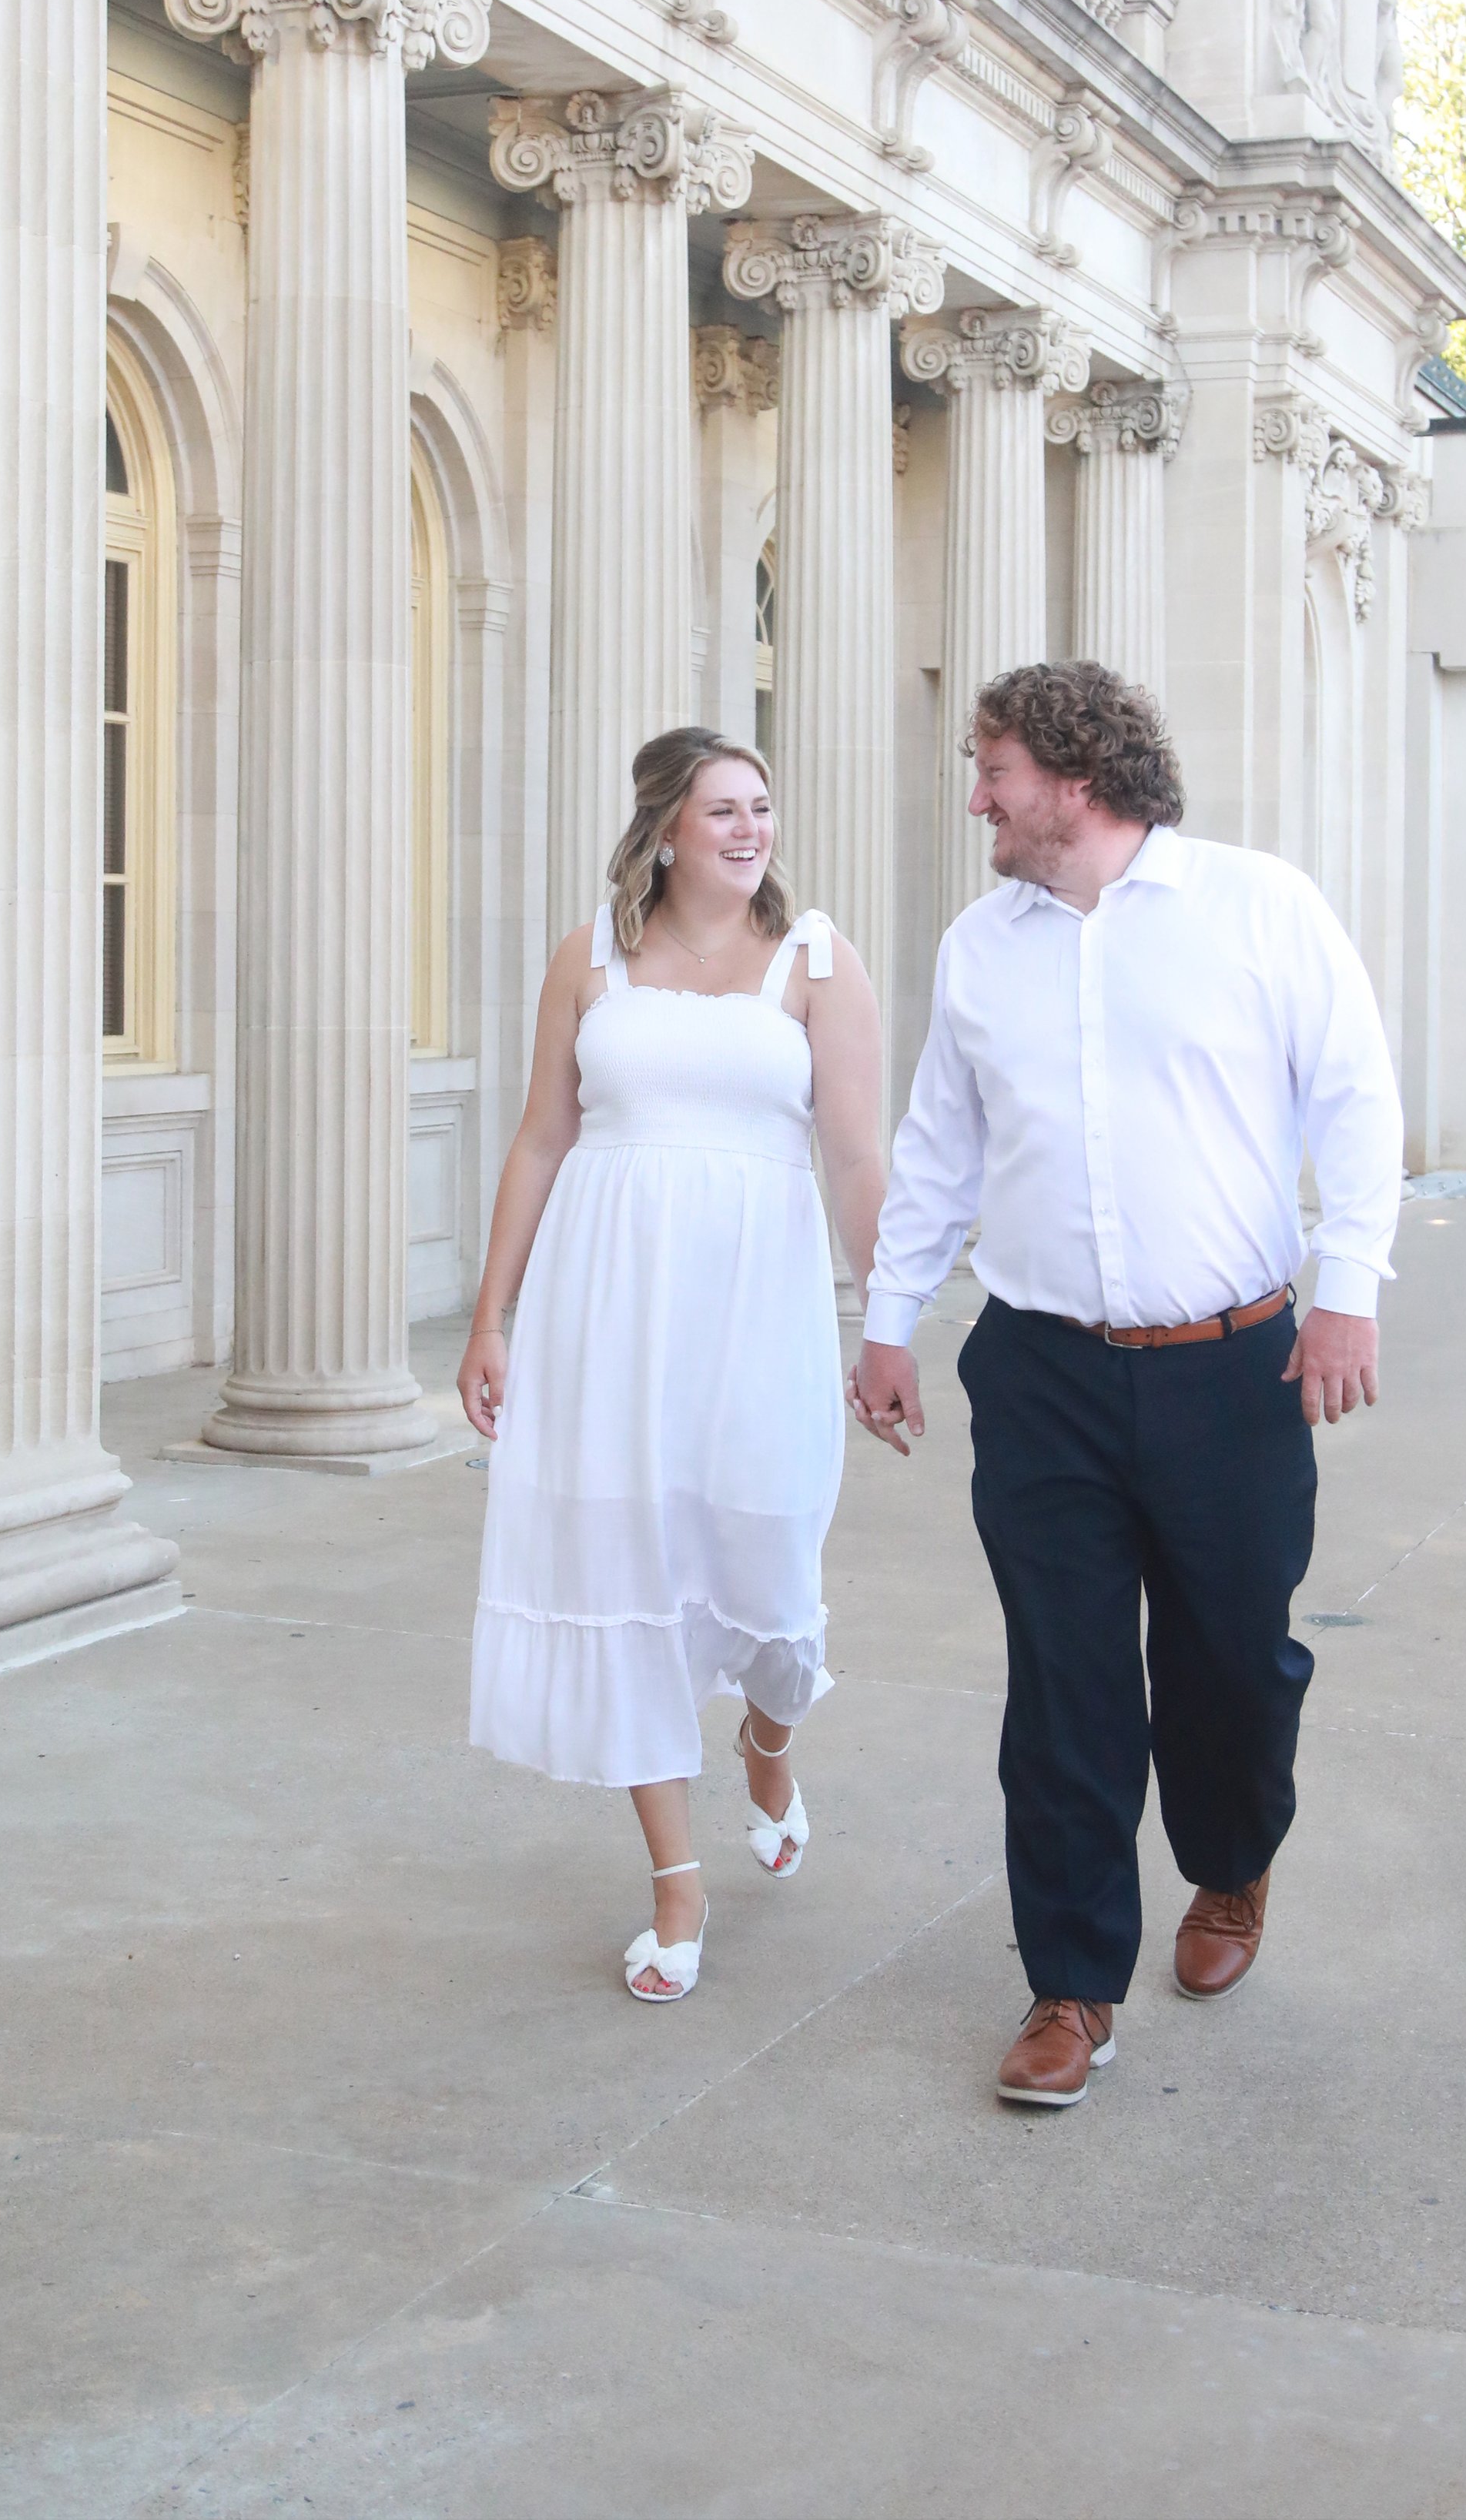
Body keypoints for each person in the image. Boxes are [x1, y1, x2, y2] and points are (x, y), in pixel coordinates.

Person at [852, 662, 1403, 2108]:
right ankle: (1072, 1985)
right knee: (1065, 1682)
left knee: (1229, 1664)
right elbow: (937, 1147)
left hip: (1236, 1364)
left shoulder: (1256, 907)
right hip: (1041, 1374)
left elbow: (1355, 1091)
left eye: (994, 769)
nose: (975, 794)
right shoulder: (982, 947)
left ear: (1075, 779)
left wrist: (1347, 1289)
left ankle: (1231, 1863)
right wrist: (888, 1318)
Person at [460, 727, 885, 2004]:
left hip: (757, 1308)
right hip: (608, 1311)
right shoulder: (589, 957)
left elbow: (859, 1158)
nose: (750, 828)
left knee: (769, 1566)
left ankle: (767, 1741)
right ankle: (675, 1881)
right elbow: (542, 1140)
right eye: (722, 809)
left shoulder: (816, 958)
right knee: (626, 1567)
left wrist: (888, 1320)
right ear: (663, 827)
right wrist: (494, 1316)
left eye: (760, 806)